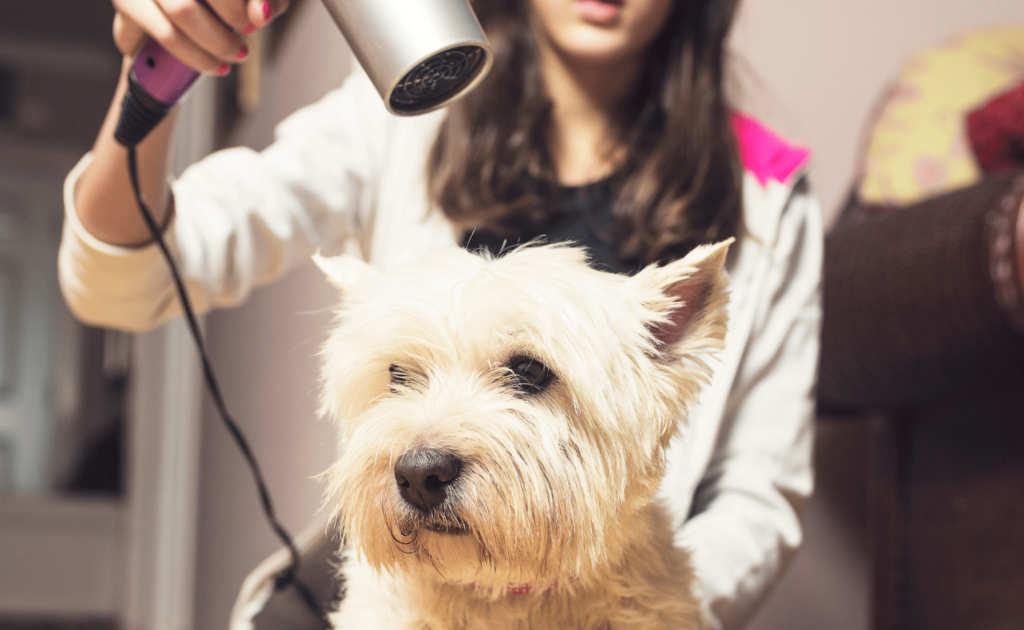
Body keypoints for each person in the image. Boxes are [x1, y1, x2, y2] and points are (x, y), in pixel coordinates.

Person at [59, 0, 822, 628]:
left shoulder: (768, 195)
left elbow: (759, 495)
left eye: (526, 373)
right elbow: (121, 283)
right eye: (403, 375)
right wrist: (158, 71)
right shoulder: (394, 110)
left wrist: (645, 598)